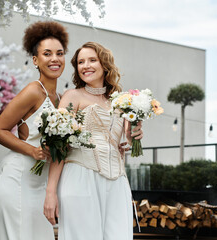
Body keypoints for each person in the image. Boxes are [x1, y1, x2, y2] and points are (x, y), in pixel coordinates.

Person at [43, 42, 143, 240]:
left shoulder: (121, 102)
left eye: (91, 60)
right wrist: (50, 191)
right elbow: (59, 147)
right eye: (80, 62)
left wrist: (134, 136)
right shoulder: (73, 96)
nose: (85, 66)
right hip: (80, 177)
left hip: (117, 182)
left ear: (104, 64)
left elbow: (124, 140)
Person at [0, 21, 68, 240]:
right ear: (35, 60)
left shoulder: (61, 100)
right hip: (16, 180)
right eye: (47, 54)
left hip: (40, 185)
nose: (55, 59)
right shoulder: (33, 91)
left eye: (60, 53)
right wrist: (32, 150)